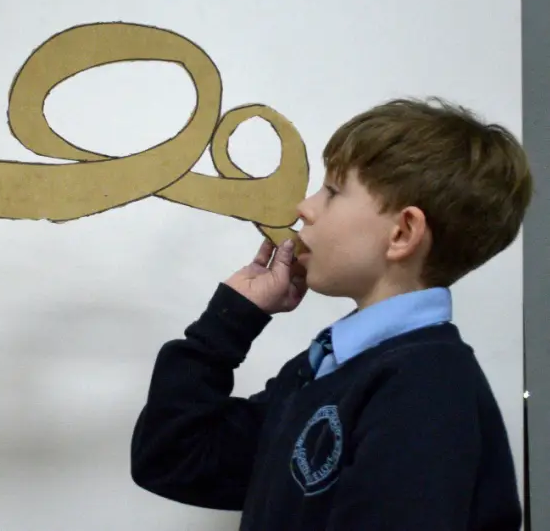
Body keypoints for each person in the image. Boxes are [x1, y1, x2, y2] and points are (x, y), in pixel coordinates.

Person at [129, 97, 533, 530]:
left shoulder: (424, 387)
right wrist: (229, 322)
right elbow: (175, 458)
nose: (305, 207)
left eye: (333, 191)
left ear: (403, 233)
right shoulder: (329, 370)